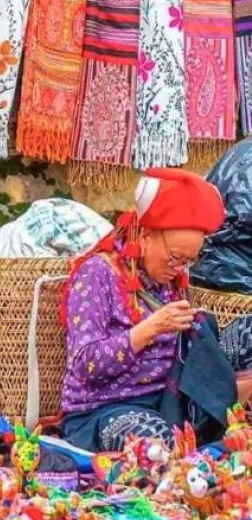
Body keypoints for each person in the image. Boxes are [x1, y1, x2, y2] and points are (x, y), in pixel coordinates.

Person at [60, 168, 252, 453]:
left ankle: (219, 404)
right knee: (157, 443)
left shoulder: (170, 281)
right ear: (146, 235)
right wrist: (152, 328)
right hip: (107, 410)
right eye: (175, 257)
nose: (179, 268)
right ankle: (212, 419)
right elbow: (85, 365)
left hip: (170, 399)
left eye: (188, 261)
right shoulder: (98, 274)